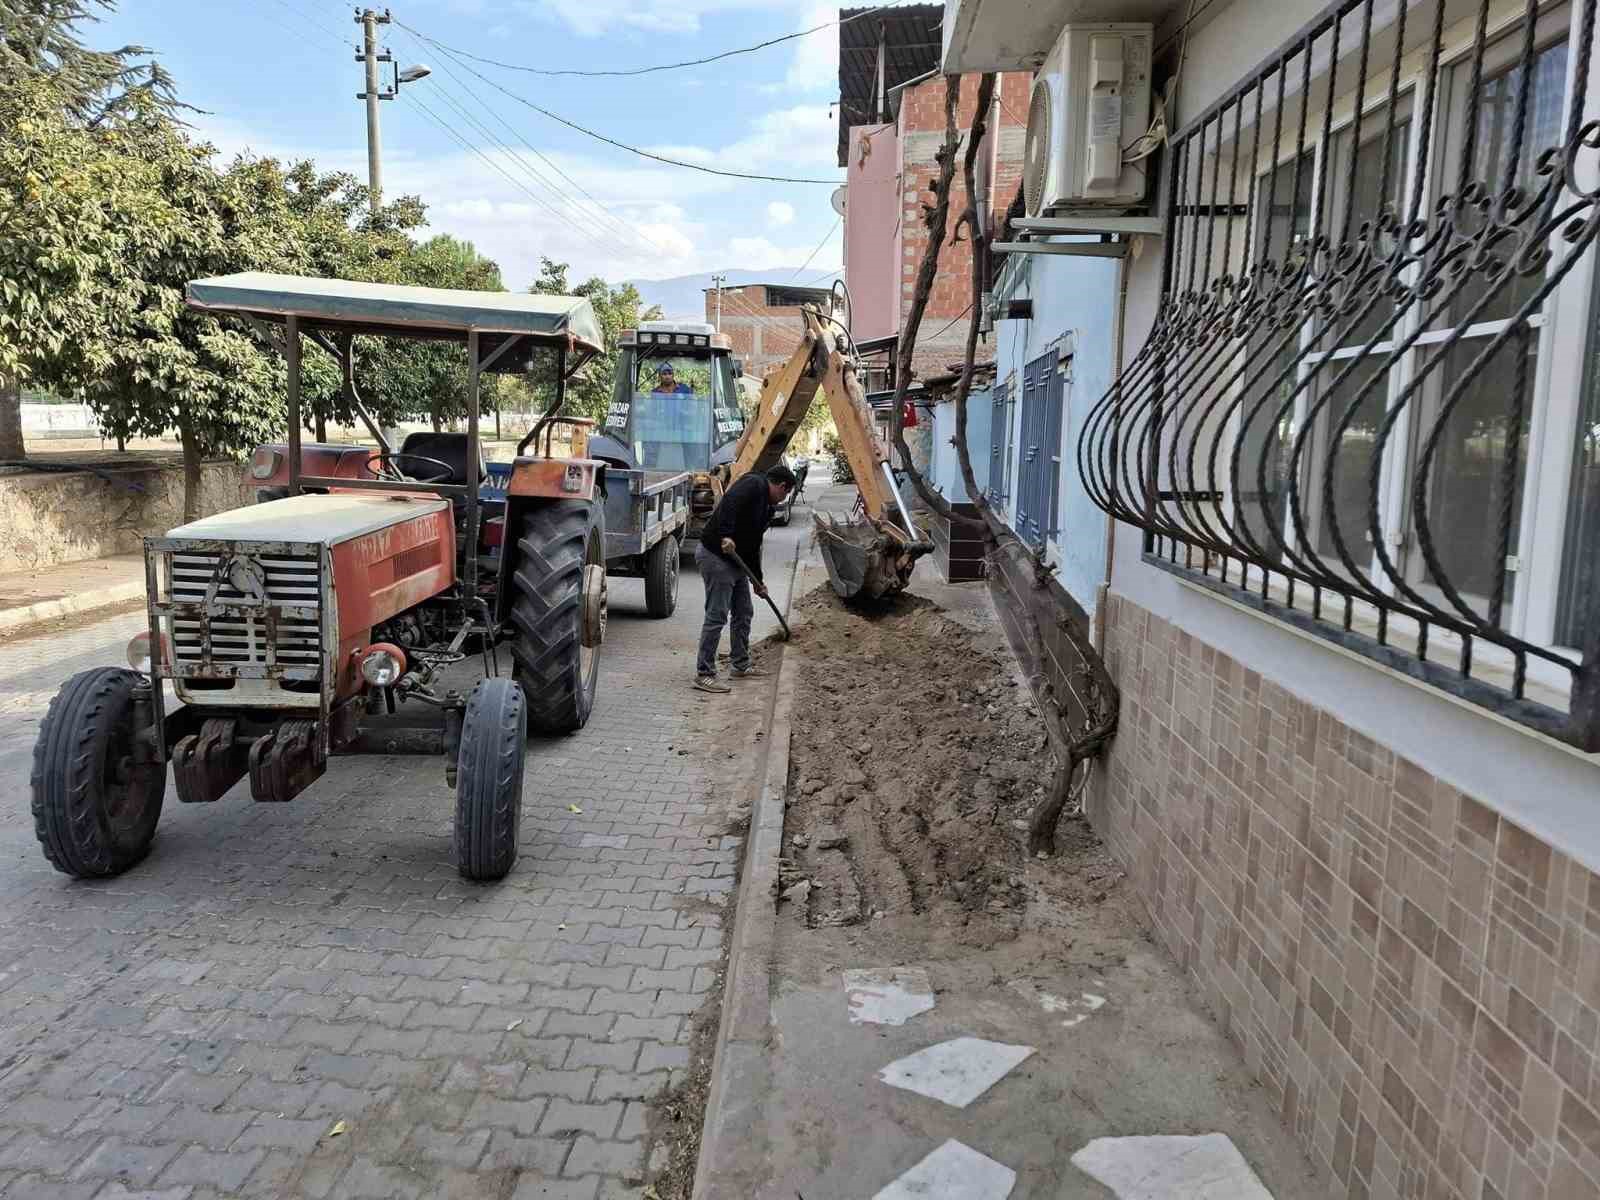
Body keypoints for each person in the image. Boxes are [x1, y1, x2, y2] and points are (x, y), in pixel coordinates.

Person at [694, 464, 797, 693]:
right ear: (781, 486)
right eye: (786, 493)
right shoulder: (754, 483)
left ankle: (740, 664)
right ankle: (704, 673)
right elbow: (728, 504)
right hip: (715, 555)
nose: (783, 499)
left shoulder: (767, 510)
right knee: (717, 614)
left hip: (735, 561)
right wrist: (726, 535)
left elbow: (752, 546)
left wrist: (757, 580)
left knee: (744, 611)